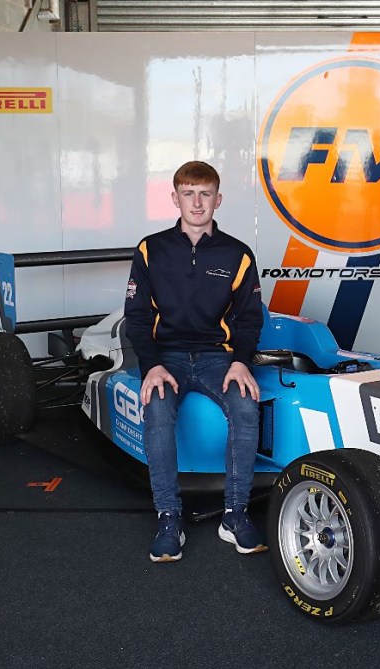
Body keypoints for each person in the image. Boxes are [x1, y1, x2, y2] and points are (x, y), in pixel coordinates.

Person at [124, 161, 266, 562]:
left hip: (216, 357)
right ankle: (169, 517)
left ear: (218, 199)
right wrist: (151, 365)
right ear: (175, 198)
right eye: (188, 193)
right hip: (165, 357)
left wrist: (241, 362)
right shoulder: (151, 249)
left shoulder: (237, 253)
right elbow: (136, 316)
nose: (197, 202)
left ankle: (234, 515)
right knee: (156, 407)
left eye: (205, 194)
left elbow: (251, 317)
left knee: (245, 405)